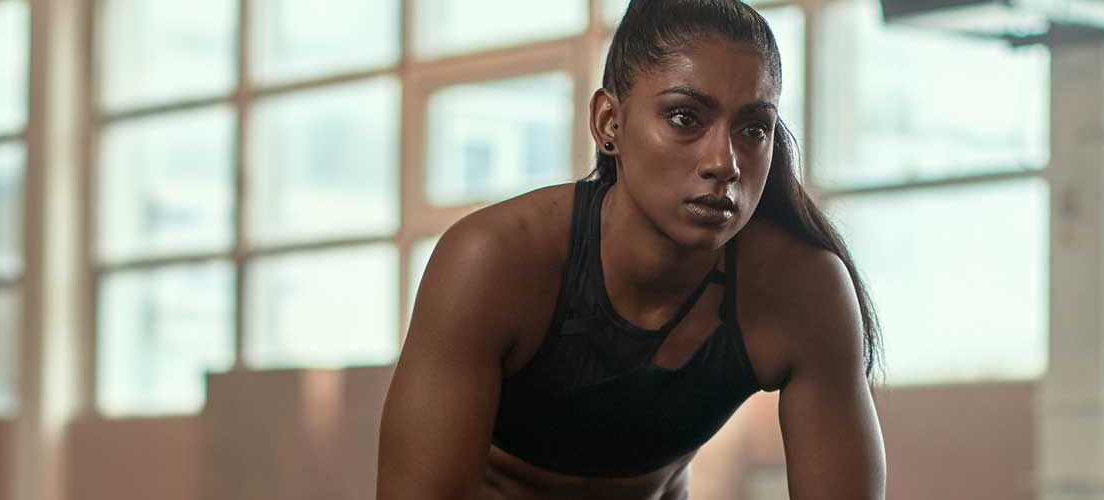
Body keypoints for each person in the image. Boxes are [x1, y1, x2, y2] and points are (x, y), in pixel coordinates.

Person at [379, 0, 886, 497]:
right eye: (685, 118)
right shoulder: (493, 260)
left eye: (753, 128)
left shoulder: (802, 292)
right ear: (608, 122)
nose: (724, 162)